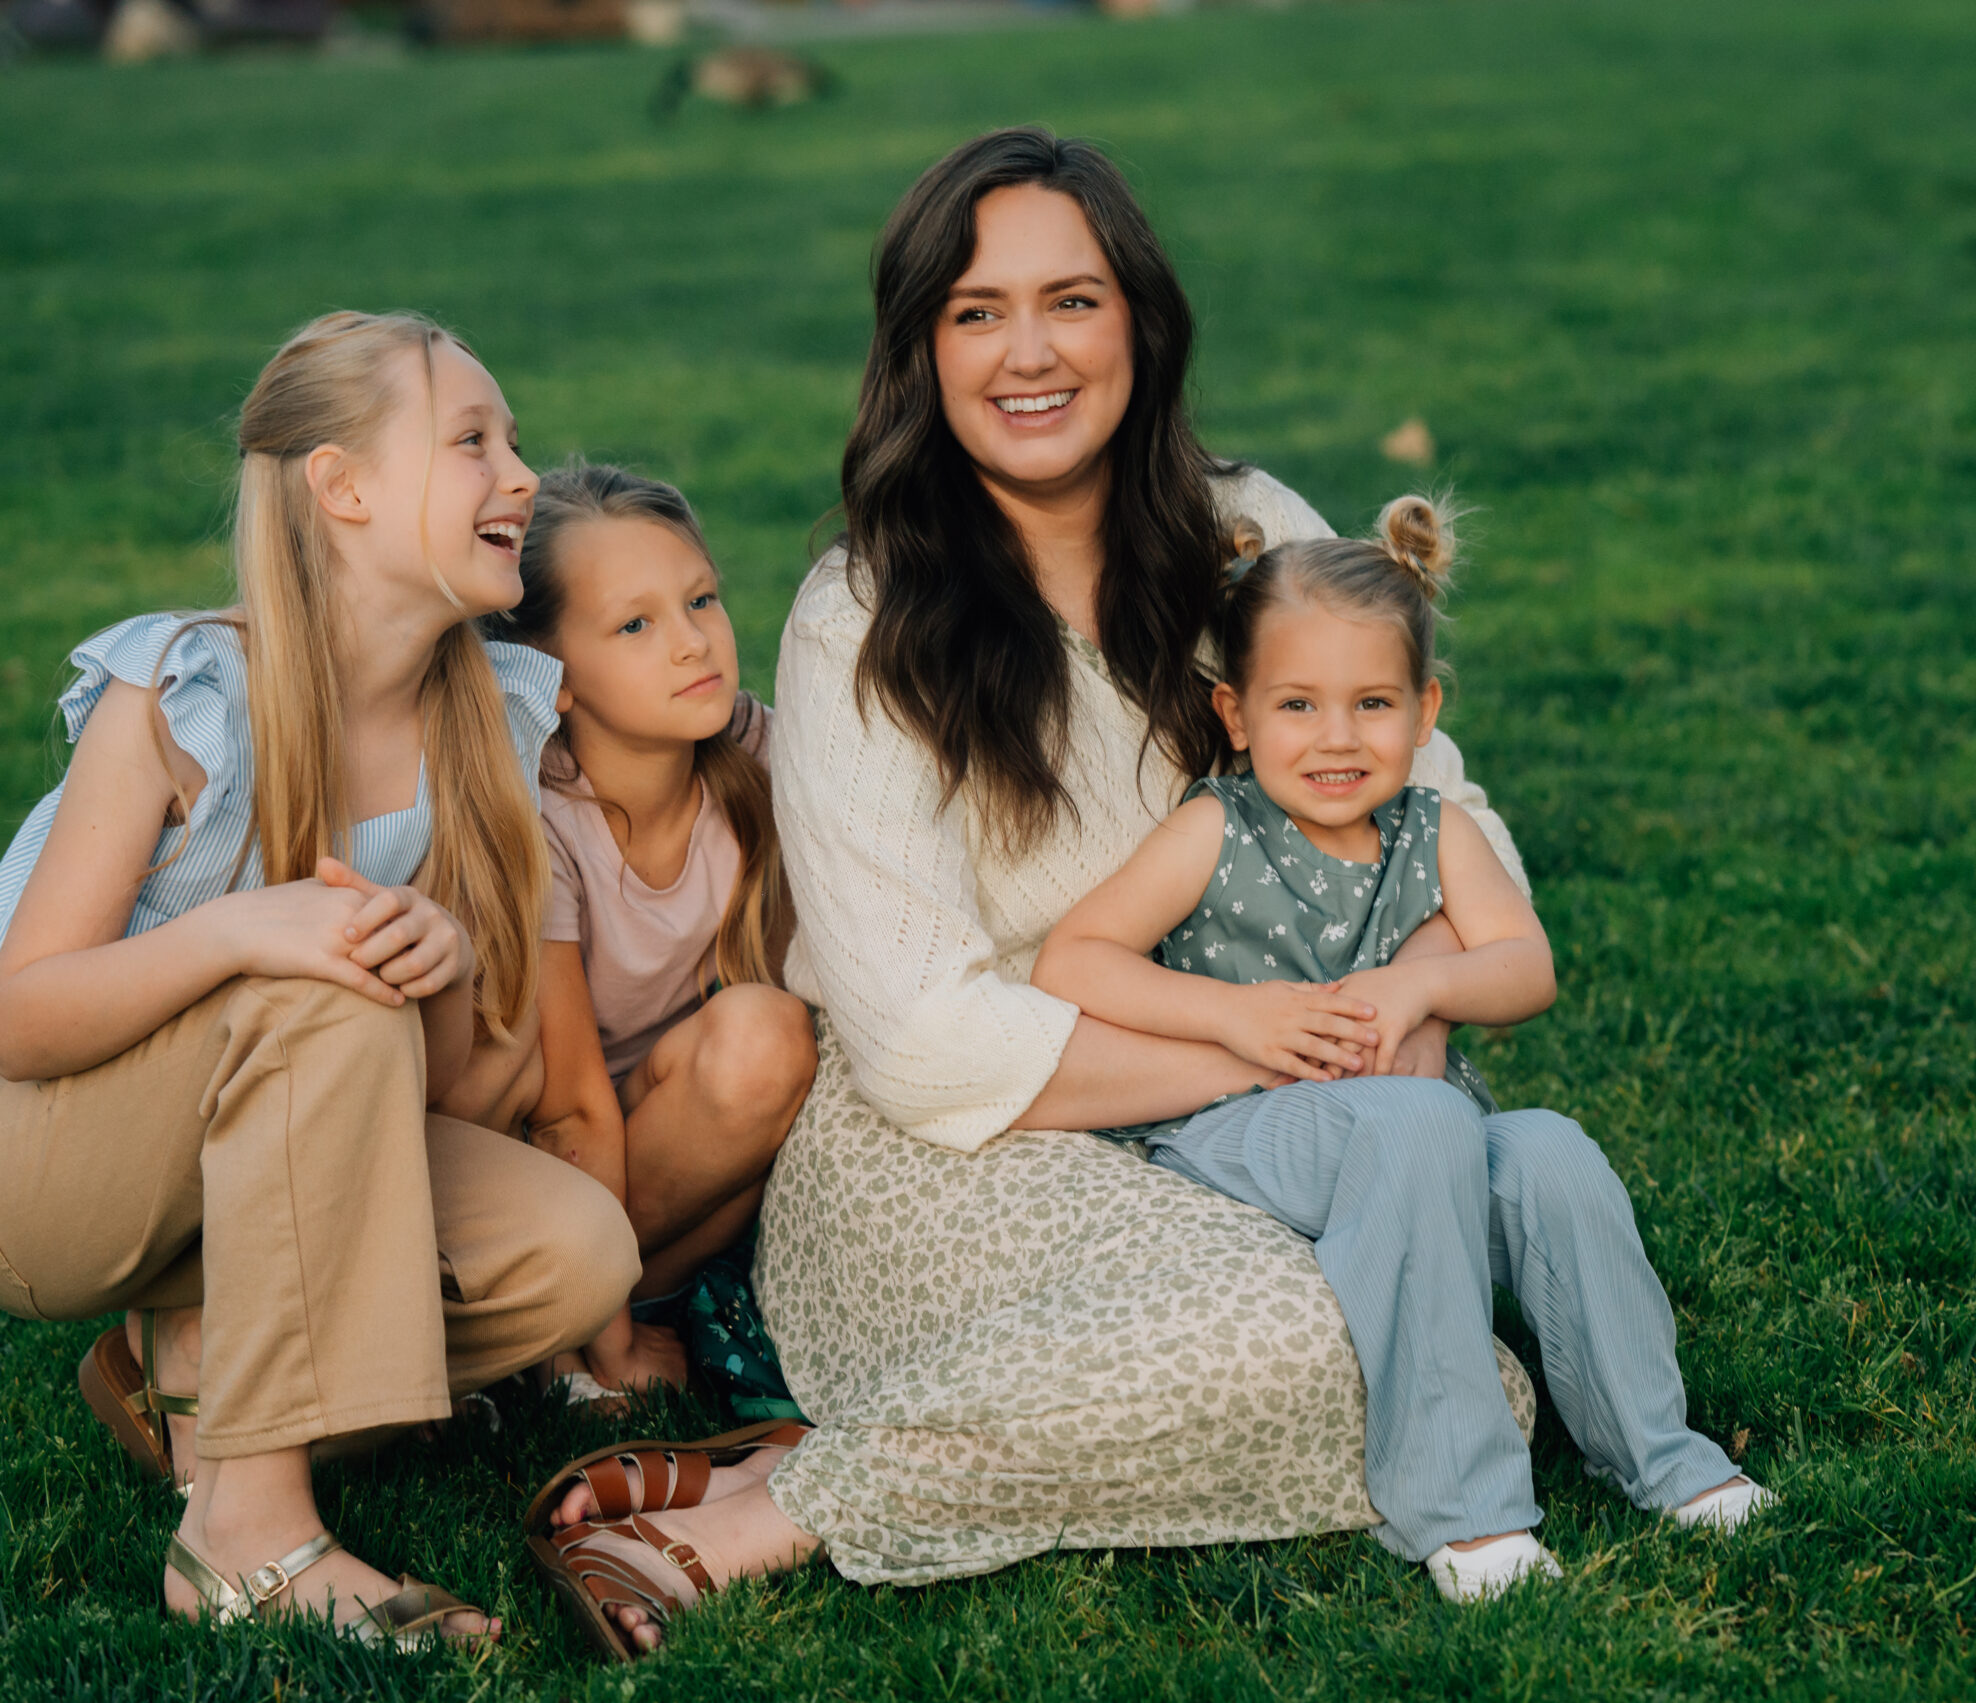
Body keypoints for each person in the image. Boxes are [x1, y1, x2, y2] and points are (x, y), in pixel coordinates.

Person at [520, 127, 1541, 1659]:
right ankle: (758, 1521)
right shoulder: (861, 614)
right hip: (961, 1143)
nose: (1028, 352)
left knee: (1463, 1363)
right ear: (920, 351)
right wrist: (1291, 1040)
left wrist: (1398, 1001)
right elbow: (929, 1041)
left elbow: (1441, 812)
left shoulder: (1255, 529)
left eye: (1070, 299)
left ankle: (797, 1456)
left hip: (1262, 1110)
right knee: (1364, 1338)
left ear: (1140, 317)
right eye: (976, 311)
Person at [0, 310, 638, 1646]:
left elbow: (445, 1088)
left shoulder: (492, 714)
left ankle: (186, 1359)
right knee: (321, 979)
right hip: (43, 1163)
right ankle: (249, 1530)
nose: (521, 475)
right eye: (473, 441)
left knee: (573, 1250)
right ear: (341, 489)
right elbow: (22, 1014)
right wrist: (244, 932)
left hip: (266, 1144)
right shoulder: (187, 692)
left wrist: (451, 960)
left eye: (511, 442)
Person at [1031, 496, 1767, 1601]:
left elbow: (1526, 965)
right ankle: (1461, 1506)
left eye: (1371, 703)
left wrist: (1422, 983)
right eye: (1298, 704)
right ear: (1234, 713)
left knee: (1552, 1148)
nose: (1337, 737)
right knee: (1425, 1119)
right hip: (1241, 1127)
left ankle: (1658, 1453)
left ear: (1424, 710)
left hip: (1409, 1126)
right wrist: (1237, 1015)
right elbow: (1074, 960)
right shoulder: (1214, 830)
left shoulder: (1436, 830)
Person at [474, 461, 816, 1405]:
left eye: (700, 599)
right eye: (636, 624)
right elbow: (567, 1101)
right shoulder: (537, 816)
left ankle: (561, 1335)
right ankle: (559, 1329)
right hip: (533, 1151)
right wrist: (613, 1335)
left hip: (670, 1146)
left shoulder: (763, 754)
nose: (692, 642)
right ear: (556, 680)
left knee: (773, 1042)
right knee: (761, 1040)